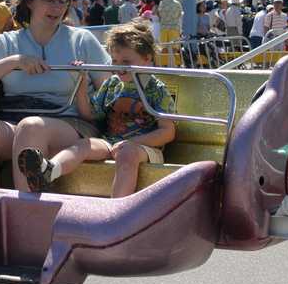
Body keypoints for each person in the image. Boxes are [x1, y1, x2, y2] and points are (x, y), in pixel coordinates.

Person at [0, 0, 112, 190]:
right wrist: (14, 61)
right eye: (49, 0)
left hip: (70, 125)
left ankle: (26, 206)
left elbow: (108, 91)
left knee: (31, 127)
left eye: (62, 1)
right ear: (30, 0)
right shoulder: (8, 42)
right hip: (15, 121)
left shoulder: (82, 40)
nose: (57, 7)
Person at [16, 21, 176, 197]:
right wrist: (82, 83)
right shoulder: (113, 84)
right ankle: (49, 171)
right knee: (84, 144)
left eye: (126, 61)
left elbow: (167, 132)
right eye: (115, 61)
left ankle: (117, 207)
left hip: (145, 148)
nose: (119, 67)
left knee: (127, 154)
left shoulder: (156, 90)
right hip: (112, 142)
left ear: (147, 58)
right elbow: (89, 114)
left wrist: (133, 142)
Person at [157, 0, 183, 65]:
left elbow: (159, 14)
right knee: (174, 47)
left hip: (164, 27)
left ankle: (165, 63)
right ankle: (175, 63)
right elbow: (180, 14)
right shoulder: (177, 3)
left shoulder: (162, 3)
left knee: (164, 46)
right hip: (174, 27)